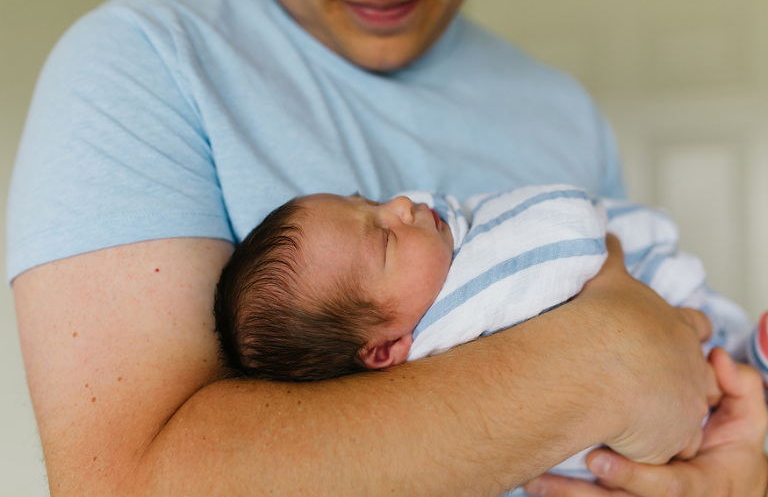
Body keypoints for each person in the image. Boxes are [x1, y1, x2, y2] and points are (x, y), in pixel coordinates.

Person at [7, 0, 767, 494]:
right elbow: (135, 483)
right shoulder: (145, 62)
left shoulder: (560, 105)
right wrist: (602, 364)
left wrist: (738, 473)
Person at [213, 185, 765, 495]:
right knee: (718, 362)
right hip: (661, 413)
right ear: (384, 350)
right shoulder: (458, 306)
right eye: (384, 237)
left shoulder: (424, 284)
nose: (401, 204)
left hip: (689, 430)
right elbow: (571, 233)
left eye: (367, 199)